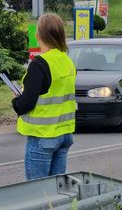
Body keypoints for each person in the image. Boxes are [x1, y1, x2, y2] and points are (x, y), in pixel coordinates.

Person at [12, 13, 76, 180]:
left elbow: (26, 104)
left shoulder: (39, 64)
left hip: (43, 136)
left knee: (38, 194)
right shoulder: (67, 61)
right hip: (64, 135)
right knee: (56, 192)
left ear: (37, 35)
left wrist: (16, 99)